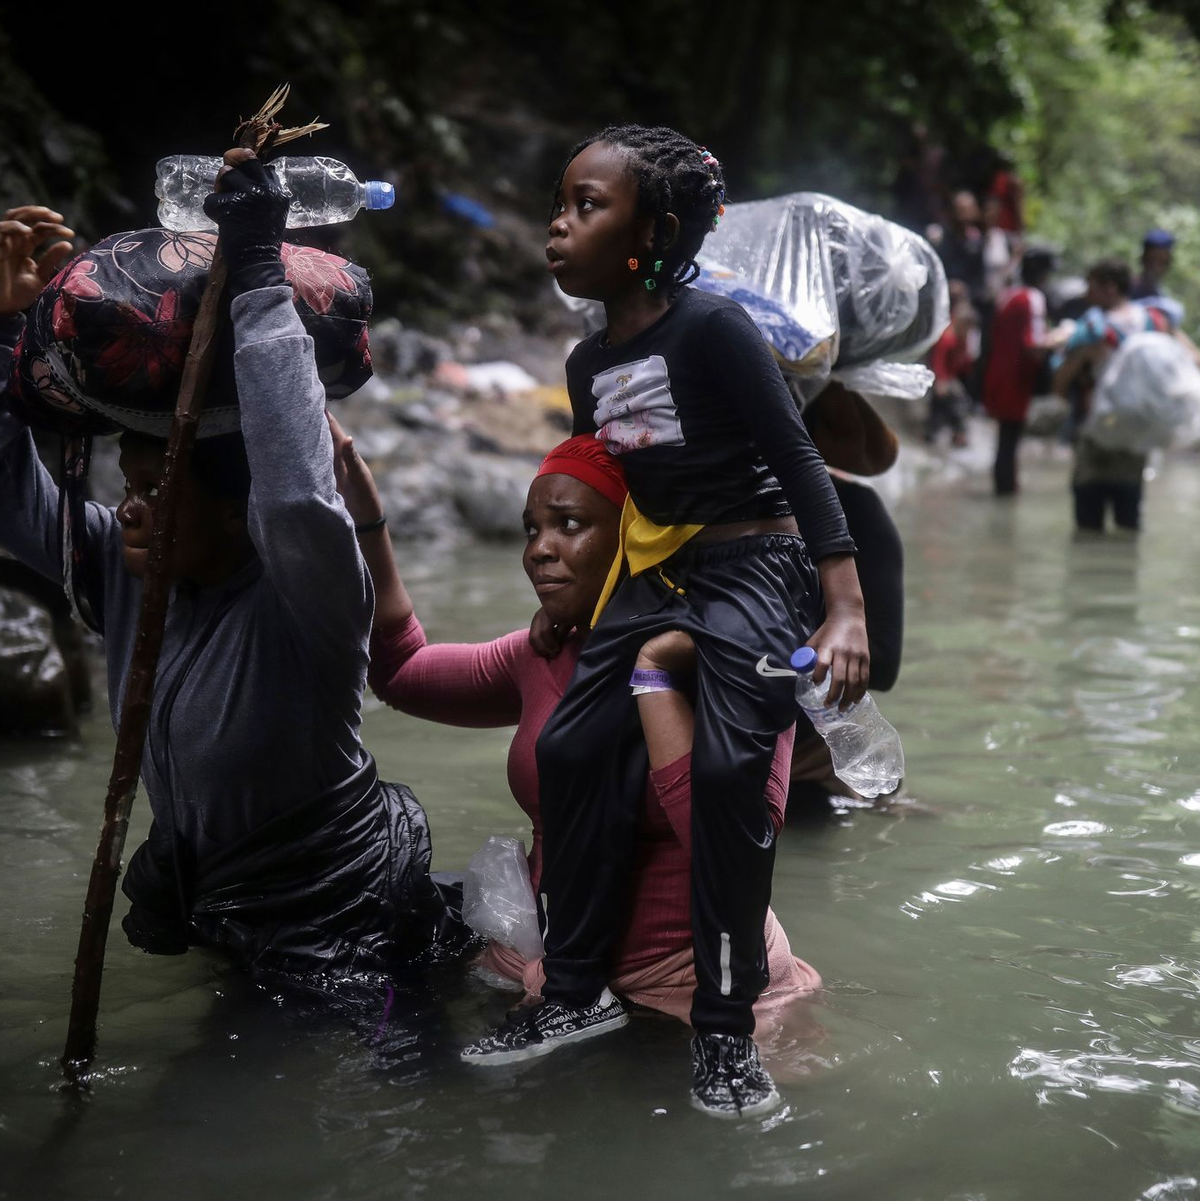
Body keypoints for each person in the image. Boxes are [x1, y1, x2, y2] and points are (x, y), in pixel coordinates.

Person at [458, 124, 869, 1118]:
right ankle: (575, 989)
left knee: (729, 773)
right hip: (661, 573)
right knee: (570, 745)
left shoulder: (714, 329)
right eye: (560, 204)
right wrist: (574, 607)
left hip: (758, 564)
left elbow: (799, 460)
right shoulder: (586, 362)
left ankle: (726, 1031)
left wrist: (845, 606)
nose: (559, 226)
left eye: (586, 206)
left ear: (654, 232)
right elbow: (608, 495)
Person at [0, 164, 452, 975]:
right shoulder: (128, 576)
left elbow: (297, 488)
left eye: (156, 489)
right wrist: (3, 329)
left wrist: (259, 278)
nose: (127, 509)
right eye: (128, 486)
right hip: (225, 909)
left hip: (345, 921)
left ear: (239, 511)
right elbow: (9, 496)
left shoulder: (307, 595)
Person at [331, 422, 822, 1030]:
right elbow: (401, 673)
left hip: (692, 987)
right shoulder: (542, 653)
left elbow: (729, 849)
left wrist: (654, 673)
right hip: (542, 971)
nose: (539, 549)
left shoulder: (733, 659)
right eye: (531, 529)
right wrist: (366, 519)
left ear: (638, 538)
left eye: (569, 524)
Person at [1053, 258, 1172, 533]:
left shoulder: (1094, 328)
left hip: (1096, 431)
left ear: (1110, 288)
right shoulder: (1154, 321)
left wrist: (1059, 406)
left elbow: (1063, 378)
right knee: (1129, 519)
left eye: (1091, 287)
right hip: (1137, 433)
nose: (1087, 294)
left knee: (1088, 522)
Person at [982, 247, 1057, 495]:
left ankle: (1003, 491)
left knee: (1005, 440)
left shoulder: (1008, 295)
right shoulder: (1032, 298)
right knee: (1009, 440)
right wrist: (1061, 339)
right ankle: (1006, 493)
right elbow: (1033, 345)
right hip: (1016, 381)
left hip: (997, 375)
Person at [925, 298, 977, 447]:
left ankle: (956, 433)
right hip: (941, 378)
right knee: (950, 403)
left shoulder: (962, 340)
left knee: (957, 403)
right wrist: (941, 380)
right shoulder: (948, 338)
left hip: (951, 377)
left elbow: (964, 363)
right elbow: (938, 361)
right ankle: (937, 432)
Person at [1130, 228, 1174, 301]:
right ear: (1143, 259)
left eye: (1162, 262)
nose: (1156, 268)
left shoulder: (1162, 297)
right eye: (1151, 260)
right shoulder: (1124, 290)